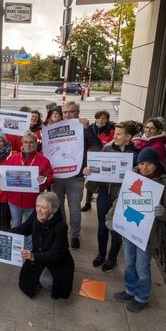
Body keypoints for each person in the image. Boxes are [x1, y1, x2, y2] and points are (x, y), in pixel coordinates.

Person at [107, 147, 166, 312]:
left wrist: (162, 212)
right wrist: (110, 217)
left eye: (149, 164)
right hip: (129, 229)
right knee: (130, 262)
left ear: (156, 164)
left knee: (142, 266)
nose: (144, 168)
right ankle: (130, 289)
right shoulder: (134, 176)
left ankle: (142, 296)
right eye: (141, 163)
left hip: (148, 234)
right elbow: (121, 200)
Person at [83, 121, 139, 272]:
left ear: (129, 137)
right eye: (115, 133)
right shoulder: (107, 148)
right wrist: (89, 171)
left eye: (119, 134)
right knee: (102, 226)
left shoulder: (135, 155)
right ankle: (101, 254)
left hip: (121, 196)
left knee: (116, 228)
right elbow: (97, 167)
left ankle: (112, 258)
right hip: (104, 193)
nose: (115, 136)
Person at [52, 101, 101, 249]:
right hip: (57, 176)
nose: (68, 114)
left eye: (71, 111)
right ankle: (61, 232)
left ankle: (74, 235)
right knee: (58, 207)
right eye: (65, 112)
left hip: (76, 176)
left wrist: (87, 129)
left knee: (74, 209)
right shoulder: (55, 128)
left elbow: (97, 146)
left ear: (77, 112)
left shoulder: (83, 127)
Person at [10, 191, 74, 299]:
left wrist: (33, 256)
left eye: (43, 207)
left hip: (57, 260)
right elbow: (23, 229)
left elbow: (56, 254)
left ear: (52, 209)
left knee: (47, 282)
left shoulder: (61, 226)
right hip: (39, 253)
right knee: (26, 279)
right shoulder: (36, 215)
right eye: (37, 206)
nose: (39, 210)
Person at [1, 131, 54, 249]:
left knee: (31, 226)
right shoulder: (13, 158)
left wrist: (44, 179)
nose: (28, 145)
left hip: (32, 201)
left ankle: (30, 249)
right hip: (14, 200)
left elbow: (50, 178)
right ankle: (16, 248)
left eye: (31, 142)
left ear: (36, 143)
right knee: (16, 224)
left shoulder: (43, 160)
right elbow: (4, 175)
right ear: (22, 143)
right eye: (26, 142)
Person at [82, 110, 115, 212]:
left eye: (104, 118)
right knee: (90, 179)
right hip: (90, 157)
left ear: (107, 120)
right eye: (99, 117)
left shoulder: (111, 131)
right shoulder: (90, 128)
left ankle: (102, 202)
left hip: (104, 159)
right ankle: (88, 202)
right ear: (96, 118)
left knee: (100, 182)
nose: (101, 120)